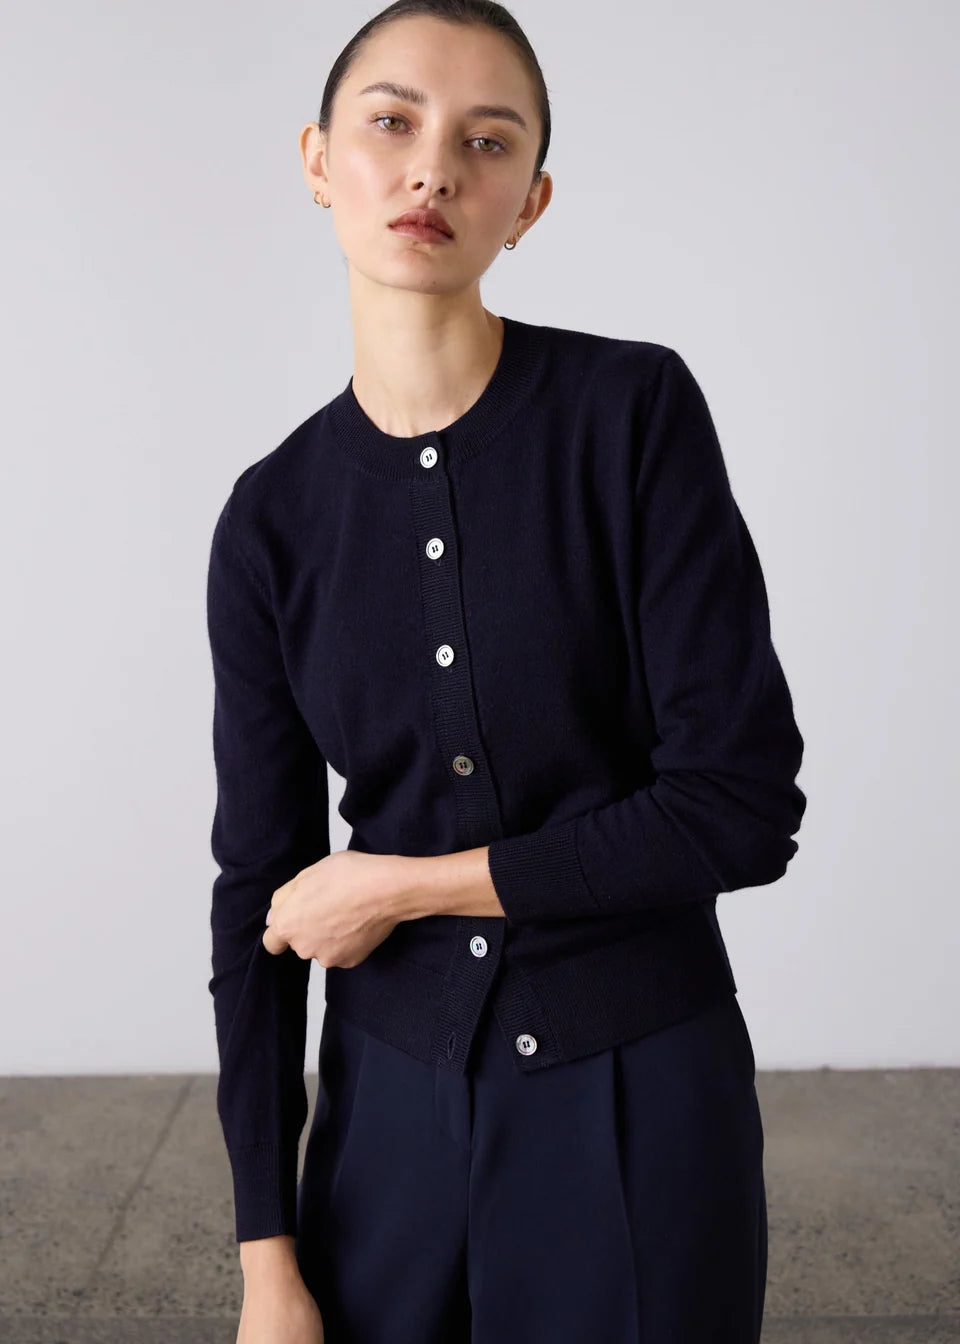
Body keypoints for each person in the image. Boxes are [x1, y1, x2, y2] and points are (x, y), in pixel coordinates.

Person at [204, 2, 807, 1340]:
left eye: (486, 142)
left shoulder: (632, 415)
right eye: (392, 123)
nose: (432, 170)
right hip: (383, 1123)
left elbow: (741, 807)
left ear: (528, 202)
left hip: (640, 1097)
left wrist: (407, 884)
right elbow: (260, 893)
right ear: (318, 162)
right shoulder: (271, 519)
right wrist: (265, 1259)